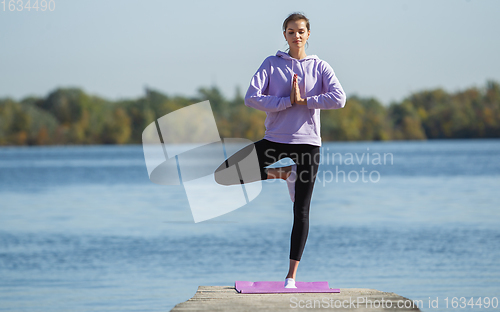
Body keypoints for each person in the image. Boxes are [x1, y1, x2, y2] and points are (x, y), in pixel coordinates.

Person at [215, 12, 346, 288]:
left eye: (300, 31)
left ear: (308, 35)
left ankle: (291, 277)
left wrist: (305, 100)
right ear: (284, 35)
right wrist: (287, 101)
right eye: (290, 31)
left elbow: (339, 98)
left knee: (302, 210)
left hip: (308, 143)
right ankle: (285, 173)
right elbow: (252, 97)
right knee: (225, 174)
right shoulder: (271, 64)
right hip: (276, 139)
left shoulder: (320, 67)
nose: (296, 35)